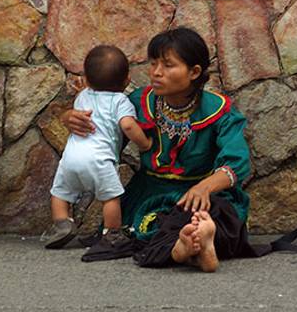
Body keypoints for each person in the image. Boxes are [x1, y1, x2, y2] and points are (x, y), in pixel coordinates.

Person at [64, 28, 268, 271]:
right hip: (150, 193)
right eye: (153, 64)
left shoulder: (218, 111)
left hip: (200, 190)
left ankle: (190, 243)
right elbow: (103, 130)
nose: (156, 73)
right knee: (156, 224)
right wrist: (69, 117)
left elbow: (237, 161)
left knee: (215, 215)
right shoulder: (138, 103)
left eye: (168, 65)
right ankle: (188, 247)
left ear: (194, 72)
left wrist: (205, 187)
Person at [47, 45, 152, 250]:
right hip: (99, 159)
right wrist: (145, 144)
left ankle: (62, 224)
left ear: (86, 80)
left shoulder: (82, 96)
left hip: (70, 158)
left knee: (60, 193)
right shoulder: (120, 101)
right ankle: (112, 233)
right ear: (127, 80)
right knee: (110, 198)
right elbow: (128, 125)